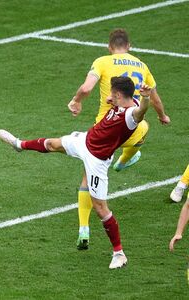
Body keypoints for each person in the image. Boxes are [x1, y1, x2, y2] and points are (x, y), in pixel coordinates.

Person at [0, 76, 152, 269]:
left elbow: (141, 111)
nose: (109, 96)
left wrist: (147, 98)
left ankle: (119, 253)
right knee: (52, 144)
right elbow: (126, 103)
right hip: (86, 141)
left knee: (101, 209)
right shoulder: (126, 101)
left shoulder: (132, 114)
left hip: (97, 160)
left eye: (112, 93)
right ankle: (19, 145)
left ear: (119, 94)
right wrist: (113, 101)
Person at [66, 28, 170, 250]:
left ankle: (84, 228)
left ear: (109, 46)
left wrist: (76, 101)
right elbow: (153, 98)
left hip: (104, 132)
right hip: (130, 128)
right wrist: (163, 116)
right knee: (142, 129)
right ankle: (123, 161)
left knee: (87, 177)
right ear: (129, 46)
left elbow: (86, 87)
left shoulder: (103, 61)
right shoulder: (142, 65)